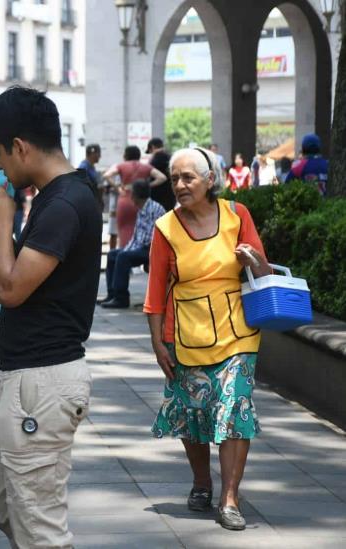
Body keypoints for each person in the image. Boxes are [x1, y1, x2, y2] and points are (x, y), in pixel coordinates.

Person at [0, 87, 101, 548]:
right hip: (31, 380)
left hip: (42, 383)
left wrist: (4, 223)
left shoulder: (64, 203)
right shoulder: (57, 196)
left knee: (40, 531)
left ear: (21, 147)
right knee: (10, 508)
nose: (0, 168)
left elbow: (10, 289)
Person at [145, 147, 271, 531]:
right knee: (193, 416)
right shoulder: (166, 227)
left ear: (209, 180)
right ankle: (202, 481)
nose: (180, 185)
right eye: (175, 179)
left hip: (238, 334)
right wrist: (157, 344)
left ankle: (229, 498)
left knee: (235, 410)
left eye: (188, 178)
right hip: (186, 334)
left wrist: (252, 259)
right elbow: (154, 294)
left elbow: (265, 270)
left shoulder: (237, 215)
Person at [99, 180, 165, 309]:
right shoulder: (142, 208)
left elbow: (153, 237)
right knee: (113, 254)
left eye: (132, 194)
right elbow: (137, 237)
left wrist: (128, 251)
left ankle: (121, 298)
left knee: (123, 257)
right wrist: (127, 249)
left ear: (136, 195)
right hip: (140, 246)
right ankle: (112, 294)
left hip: (151, 248)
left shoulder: (154, 209)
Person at [103, 145, 167, 249]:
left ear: (126, 155)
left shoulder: (121, 166)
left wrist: (118, 188)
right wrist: (146, 186)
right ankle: (141, 256)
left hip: (125, 199)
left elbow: (106, 175)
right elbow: (162, 177)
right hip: (141, 202)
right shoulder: (146, 167)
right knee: (142, 231)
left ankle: (125, 254)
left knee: (123, 231)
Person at [146, 137, 177, 211]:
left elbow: (149, 173)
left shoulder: (156, 159)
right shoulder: (171, 157)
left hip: (158, 197)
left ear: (152, 147)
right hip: (171, 195)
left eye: (150, 152)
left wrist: (148, 185)